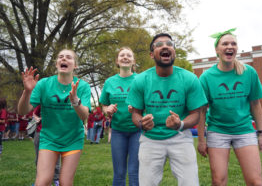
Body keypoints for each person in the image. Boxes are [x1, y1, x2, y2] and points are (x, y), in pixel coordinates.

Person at [126, 33, 208, 186]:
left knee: (190, 183)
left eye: (169, 44)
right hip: (150, 139)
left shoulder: (189, 78)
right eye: (159, 45)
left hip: (180, 137)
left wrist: (180, 124)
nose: (165, 46)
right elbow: (135, 113)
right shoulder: (141, 80)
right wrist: (142, 124)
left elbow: (196, 114)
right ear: (152, 54)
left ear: (174, 52)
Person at [197, 28, 262, 186]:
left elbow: (255, 104)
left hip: (244, 130)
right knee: (218, 181)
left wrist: (261, 134)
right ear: (217, 49)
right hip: (218, 132)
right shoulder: (207, 77)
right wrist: (201, 140)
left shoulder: (248, 72)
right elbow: (202, 111)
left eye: (233, 43)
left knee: (255, 181)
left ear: (236, 49)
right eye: (225, 43)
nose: (230, 46)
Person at [18, 49, 91, 186]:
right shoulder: (44, 84)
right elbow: (23, 110)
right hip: (49, 138)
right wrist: (27, 92)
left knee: (65, 182)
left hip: (73, 139)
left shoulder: (83, 86)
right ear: (56, 64)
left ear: (75, 65)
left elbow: (84, 115)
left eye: (68, 57)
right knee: (42, 181)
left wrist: (75, 101)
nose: (63, 59)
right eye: (60, 57)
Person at [100, 47, 140, 186]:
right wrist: (108, 109)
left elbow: (148, 104)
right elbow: (104, 105)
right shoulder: (109, 82)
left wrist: (137, 109)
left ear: (133, 61)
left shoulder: (140, 79)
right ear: (117, 61)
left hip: (138, 131)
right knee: (119, 172)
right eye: (122, 55)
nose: (125, 57)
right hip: (118, 131)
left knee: (134, 171)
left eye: (129, 55)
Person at [32, 105, 60, 186]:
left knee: (56, 157)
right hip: (40, 133)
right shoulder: (42, 102)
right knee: (39, 158)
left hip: (55, 134)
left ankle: (56, 179)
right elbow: (34, 114)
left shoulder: (59, 102)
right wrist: (37, 119)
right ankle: (40, 179)